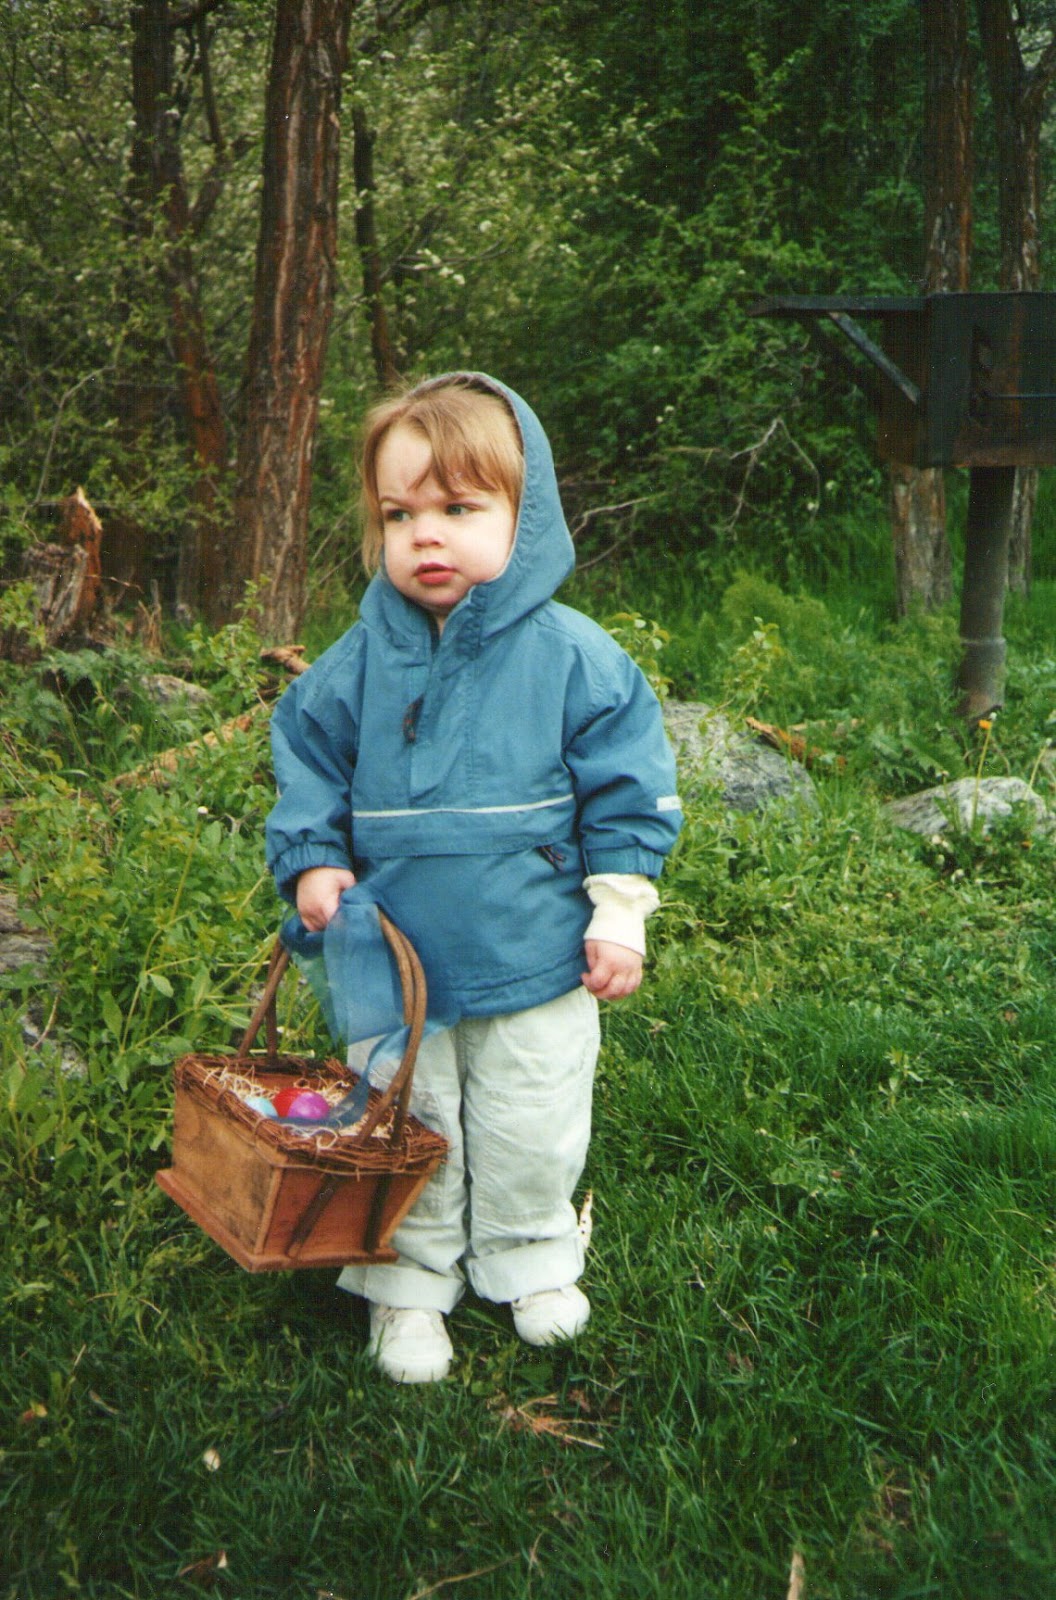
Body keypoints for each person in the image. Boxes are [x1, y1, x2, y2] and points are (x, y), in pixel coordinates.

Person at [265, 373, 682, 1383]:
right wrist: (314, 859)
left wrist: (618, 910)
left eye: (460, 508)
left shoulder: (577, 658)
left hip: (535, 951)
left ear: (524, 515)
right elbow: (307, 761)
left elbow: (629, 787)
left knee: (532, 1110)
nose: (427, 536)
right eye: (401, 513)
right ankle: (407, 1283)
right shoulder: (357, 663)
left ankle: (528, 1251)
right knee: (406, 1123)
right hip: (392, 962)